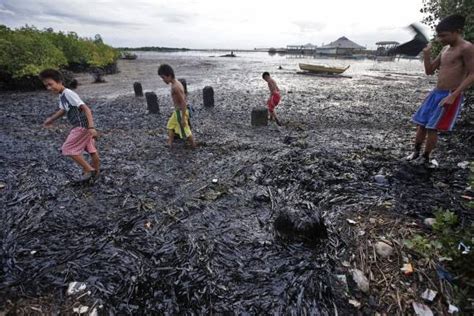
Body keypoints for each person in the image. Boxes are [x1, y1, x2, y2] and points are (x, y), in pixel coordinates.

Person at [406, 14, 474, 167]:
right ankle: (416, 152)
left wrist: (454, 95)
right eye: (438, 36)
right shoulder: (445, 48)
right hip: (436, 92)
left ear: (457, 31)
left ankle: (426, 157)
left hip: (450, 94)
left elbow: (472, 74)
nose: (440, 39)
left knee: (432, 127)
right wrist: (427, 54)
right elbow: (430, 71)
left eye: (444, 35)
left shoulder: (466, 48)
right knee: (421, 124)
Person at [40, 69, 100, 182]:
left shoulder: (68, 93)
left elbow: (86, 109)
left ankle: (89, 170)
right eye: (46, 86)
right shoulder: (61, 95)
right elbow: (63, 110)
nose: (48, 88)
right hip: (82, 126)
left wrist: (91, 127)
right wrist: (51, 119)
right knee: (91, 150)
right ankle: (96, 173)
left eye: (50, 84)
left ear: (59, 81)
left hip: (81, 126)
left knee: (67, 149)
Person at [158, 64, 197, 148]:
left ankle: (193, 145)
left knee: (185, 130)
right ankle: (170, 143)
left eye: (163, 77)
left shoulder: (176, 87)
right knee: (170, 125)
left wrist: (183, 117)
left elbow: (183, 102)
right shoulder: (177, 83)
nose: (163, 80)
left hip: (180, 112)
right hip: (177, 111)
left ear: (169, 75)